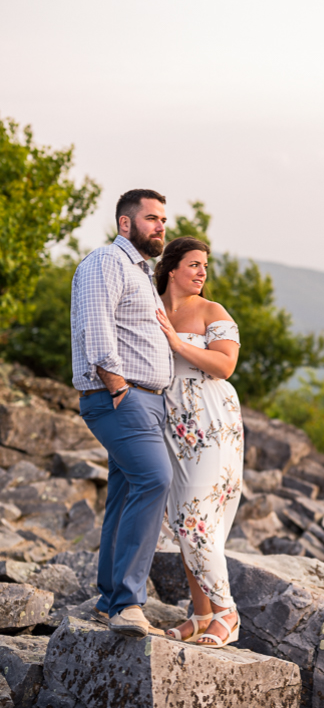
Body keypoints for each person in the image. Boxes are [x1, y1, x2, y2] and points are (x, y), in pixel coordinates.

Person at [71, 188, 174, 638]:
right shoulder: (106, 263)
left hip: (145, 400)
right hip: (120, 396)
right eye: (151, 218)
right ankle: (128, 604)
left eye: (163, 219)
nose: (160, 226)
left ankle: (109, 598)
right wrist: (119, 388)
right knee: (156, 479)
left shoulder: (143, 272)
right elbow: (96, 327)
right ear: (126, 224)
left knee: (125, 491)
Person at [153, 236, 244, 648]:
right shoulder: (152, 306)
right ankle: (202, 614)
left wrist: (176, 343)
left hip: (211, 418)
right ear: (171, 269)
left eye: (205, 265)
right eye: (193, 264)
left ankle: (227, 612)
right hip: (169, 421)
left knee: (196, 517)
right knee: (183, 519)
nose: (202, 272)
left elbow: (225, 365)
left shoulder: (212, 311)